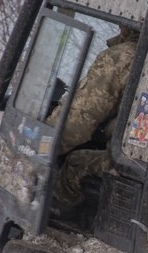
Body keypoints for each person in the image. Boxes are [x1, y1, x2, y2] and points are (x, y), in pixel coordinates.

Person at [46, 24, 140, 219]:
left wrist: (39, 146)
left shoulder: (124, 56)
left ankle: (57, 228)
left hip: (134, 165)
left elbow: (76, 122)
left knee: (75, 164)